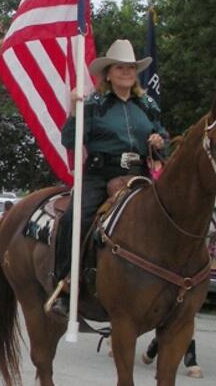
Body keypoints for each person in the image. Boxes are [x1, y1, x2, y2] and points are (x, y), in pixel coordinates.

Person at [52, 39, 168, 316]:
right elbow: (70, 139)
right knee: (74, 218)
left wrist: (159, 141)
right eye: (120, 67)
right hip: (101, 174)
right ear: (108, 73)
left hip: (139, 174)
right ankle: (65, 283)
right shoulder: (95, 104)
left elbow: (163, 136)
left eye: (130, 67)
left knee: (171, 216)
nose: (126, 72)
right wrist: (72, 110)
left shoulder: (148, 104)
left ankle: (172, 286)